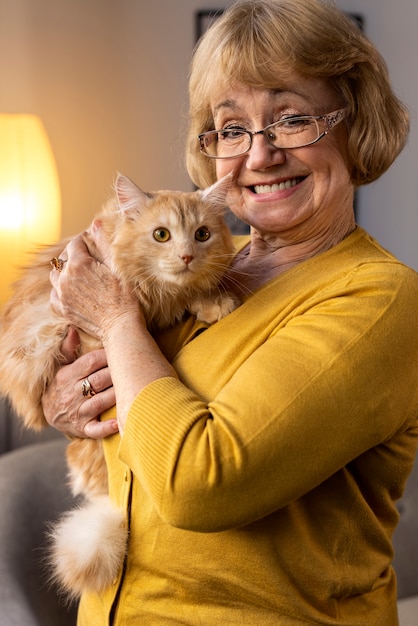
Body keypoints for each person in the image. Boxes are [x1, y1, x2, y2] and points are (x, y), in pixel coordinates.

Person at [43, 0, 418, 624]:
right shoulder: (205, 263)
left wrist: (113, 319)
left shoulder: (381, 300)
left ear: (357, 126)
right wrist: (70, 403)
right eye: (232, 128)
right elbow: (136, 412)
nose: (259, 155)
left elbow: (199, 483)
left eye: (292, 119)